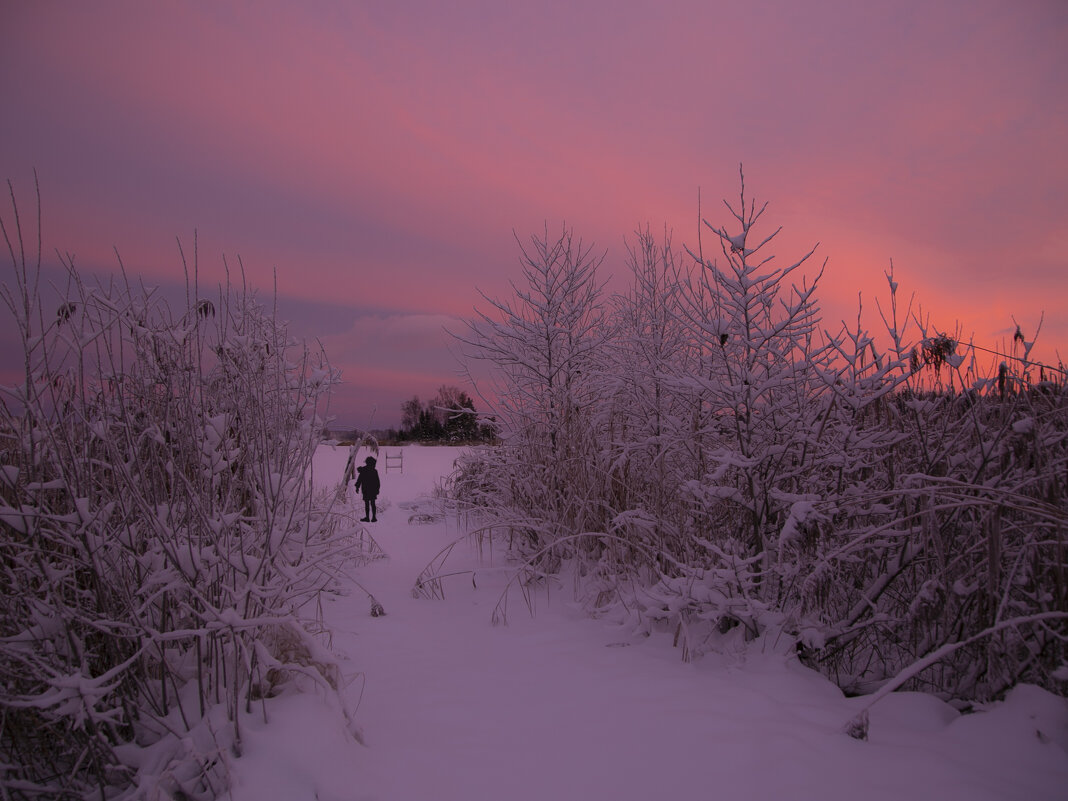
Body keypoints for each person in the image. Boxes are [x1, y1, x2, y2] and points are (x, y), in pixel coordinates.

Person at [354, 456, 381, 522]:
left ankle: (367, 518)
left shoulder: (363, 470)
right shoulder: (374, 471)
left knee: (367, 504)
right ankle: (374, 518)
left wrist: (357, 487)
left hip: (365, 490)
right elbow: (377, 482)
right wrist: (377, 490)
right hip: (373, 490)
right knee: (373, 503)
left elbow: (359, 480)